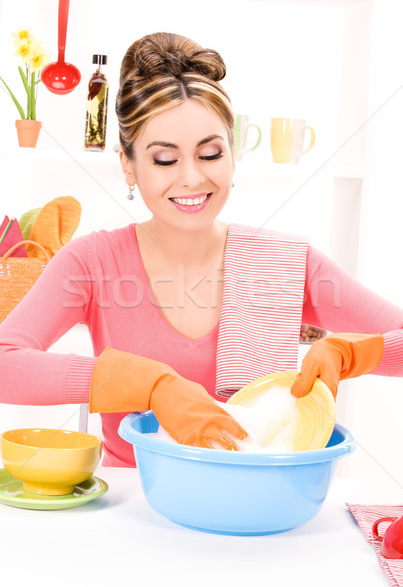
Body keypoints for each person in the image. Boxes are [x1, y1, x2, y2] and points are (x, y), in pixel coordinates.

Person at [0, 32, 402, 467]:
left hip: (254, 510)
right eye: (165, 160)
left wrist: (352, 353)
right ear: (128, 166)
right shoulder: (92, 263)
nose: (191, 178)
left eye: (210, 153)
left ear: (233, 153)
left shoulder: (287, 265)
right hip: (134, 511)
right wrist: (145, 382)